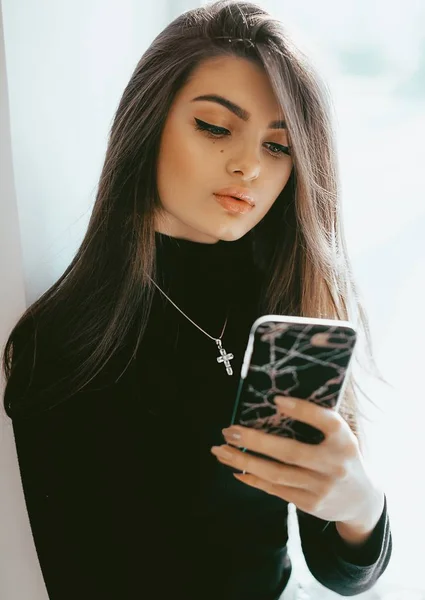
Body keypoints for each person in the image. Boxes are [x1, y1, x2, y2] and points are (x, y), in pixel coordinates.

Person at [2, 1, 392, 598]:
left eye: (279, 146)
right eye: (215, 127)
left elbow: (340, 571)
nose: (248, 166)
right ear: (148, 124)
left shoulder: (289, 310)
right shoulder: (66, 342)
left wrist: (359, 504)